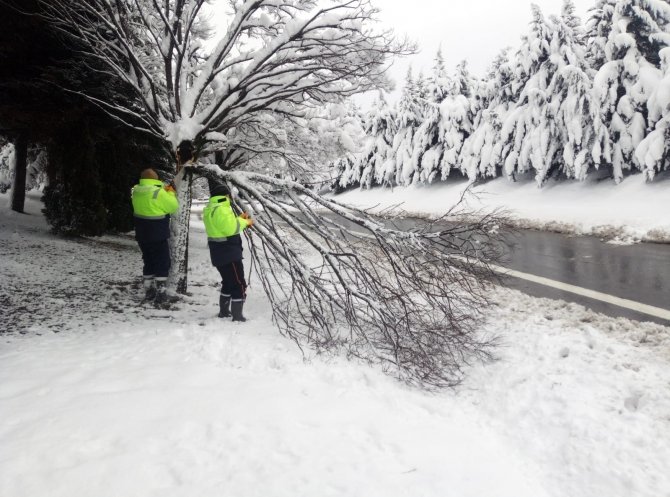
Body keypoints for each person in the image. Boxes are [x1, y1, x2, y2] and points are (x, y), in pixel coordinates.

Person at [202, 184, 253, 321]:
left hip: (219, 253)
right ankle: (237, 316)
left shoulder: (210, 208)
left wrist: (239, 219)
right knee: (238, 283)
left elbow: (224, 226)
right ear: (226, 196)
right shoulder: (222, 209)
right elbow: (231, 229)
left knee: (228, 282)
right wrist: (245, 222)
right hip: (229, 253)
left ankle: (224, 312)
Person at [131, 168, 179, 305]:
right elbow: (173, 206)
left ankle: (149, 290)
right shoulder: (159, 192)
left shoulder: (136, 191)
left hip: (141, 234)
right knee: (163, 262)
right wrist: (170, 193)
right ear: (155, 179)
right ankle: (161, 294)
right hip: (157, 234)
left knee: (149, 261)